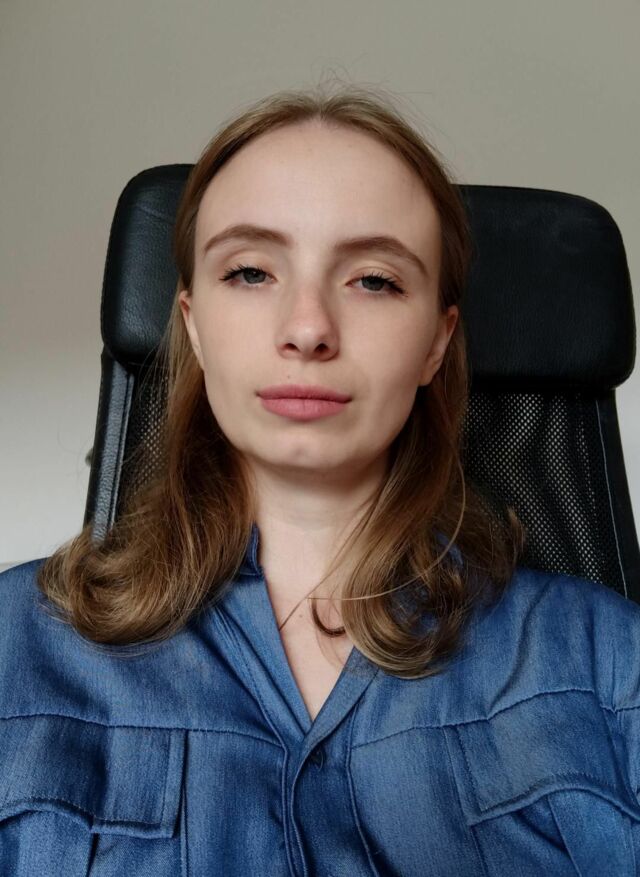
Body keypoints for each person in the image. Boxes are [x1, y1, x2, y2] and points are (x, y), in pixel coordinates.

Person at [1, 83, 639, 876]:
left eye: (373, 280)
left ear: (436, 344)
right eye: (250, 272)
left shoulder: (610, 663)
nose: (307, 328)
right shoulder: (15, 644)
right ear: (193, 324)